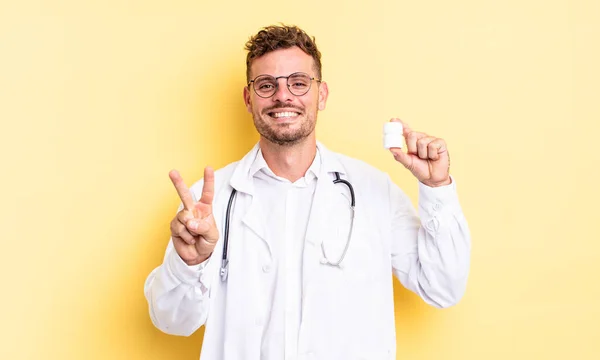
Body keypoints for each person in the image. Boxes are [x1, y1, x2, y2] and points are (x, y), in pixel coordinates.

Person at [144, 24, 471, 360]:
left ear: (322, 94)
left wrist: (437, 189)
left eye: (298, 83)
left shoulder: (374, 192)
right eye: (266, 85)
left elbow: (443, 287)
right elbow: (171, 321)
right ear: (248, 98)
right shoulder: (210, 203)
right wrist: (188, 264)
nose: (283, 96)